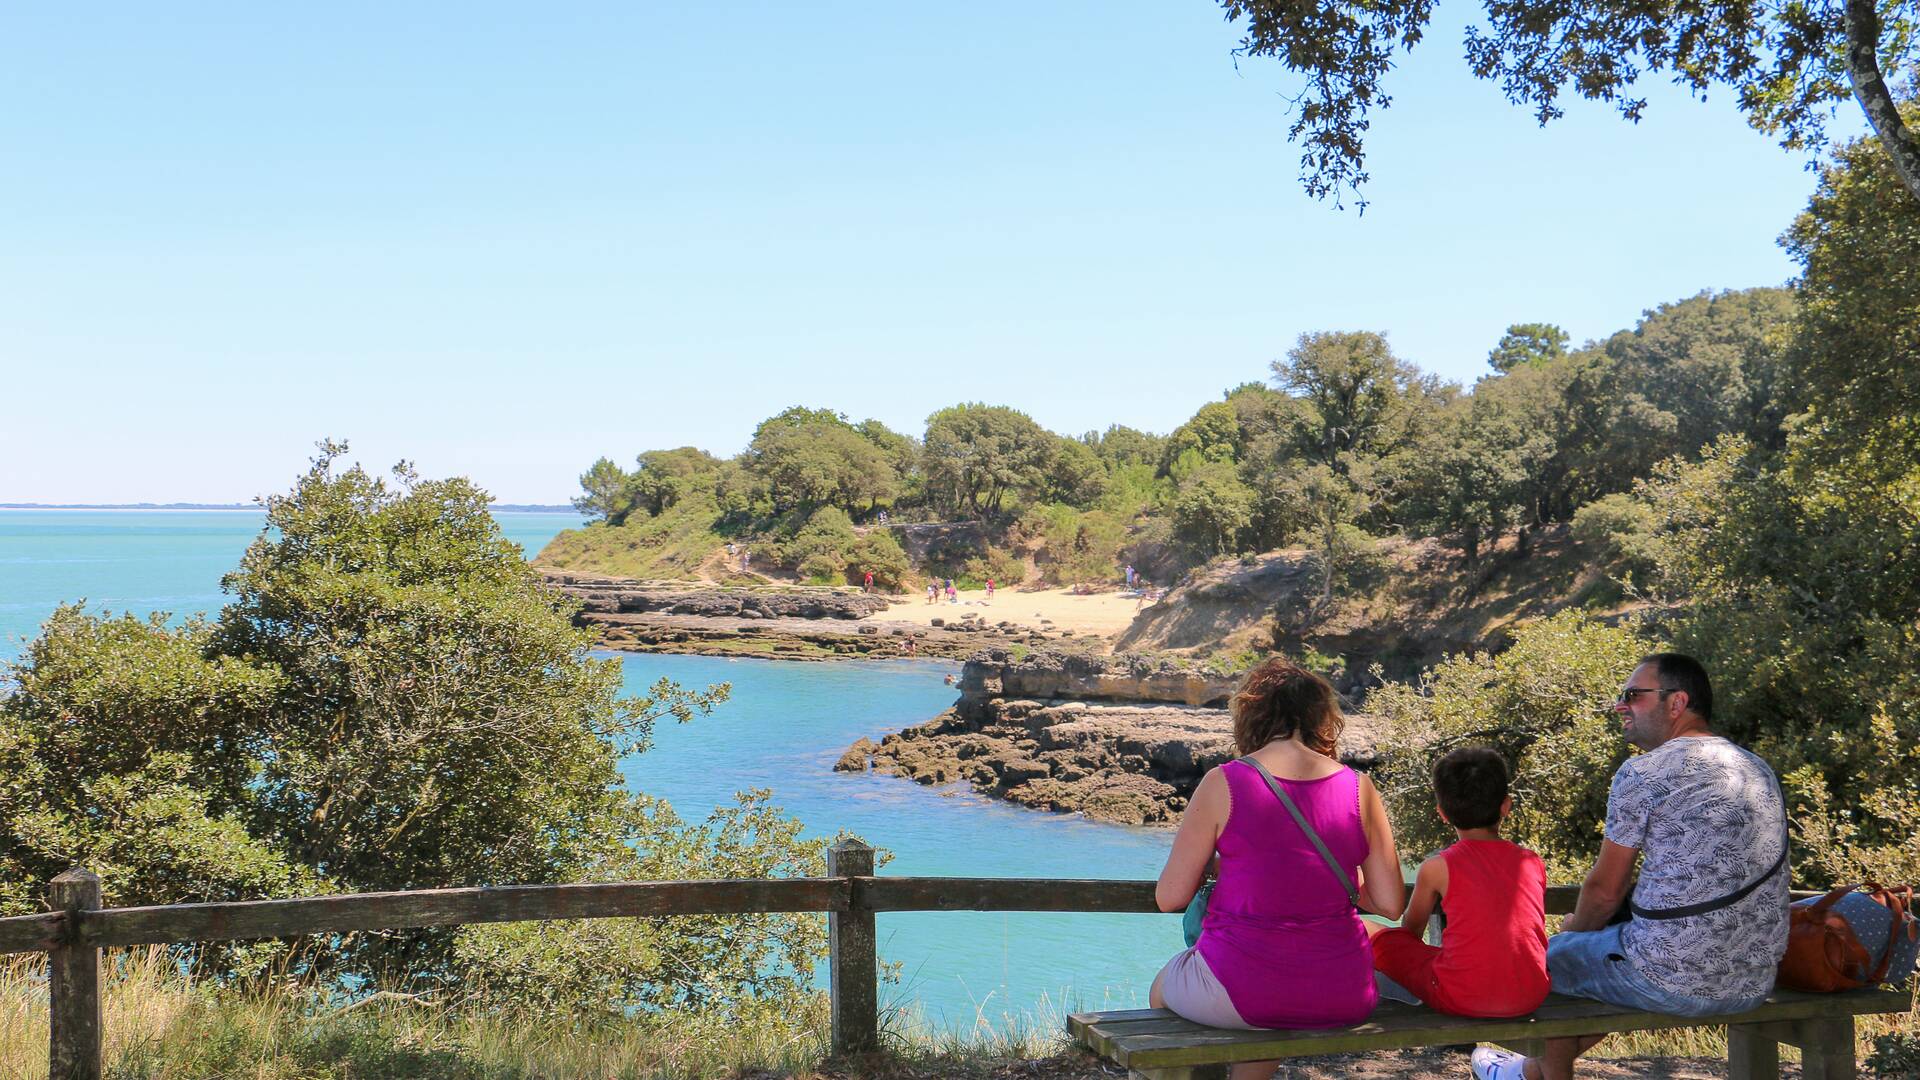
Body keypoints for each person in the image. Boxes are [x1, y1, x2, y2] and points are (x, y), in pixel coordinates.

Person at [1472, 654, 1790, 1080]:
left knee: (1550, 959)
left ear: (1677, 703)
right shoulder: (1757, 769)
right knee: (1599, 955)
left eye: (1632, 695)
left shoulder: (1644, 773)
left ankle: (1535, 1073)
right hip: (1753, 982)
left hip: (1674, 980)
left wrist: (1571, 934)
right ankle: (1537, 1070)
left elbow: (1605, 890)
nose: (1619, 705)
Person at [1150, 660, 1405, 1080]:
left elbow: (1170, 897)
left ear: (1252, 715)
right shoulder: (1359, 787)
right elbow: (1391, 903)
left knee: (1165, 987)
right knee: (1261, 1013)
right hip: (1344, 992)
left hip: (1245, 989)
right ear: (1321, 717)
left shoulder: (1223, 782)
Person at [1368, 747, 1548, 1018]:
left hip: (1463, 996)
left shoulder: (1437, 868)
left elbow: (1410, 933)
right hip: (1529, 994)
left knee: (1366, 928)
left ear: (1442, 813)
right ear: (1506, 805)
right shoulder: (1531, 862)